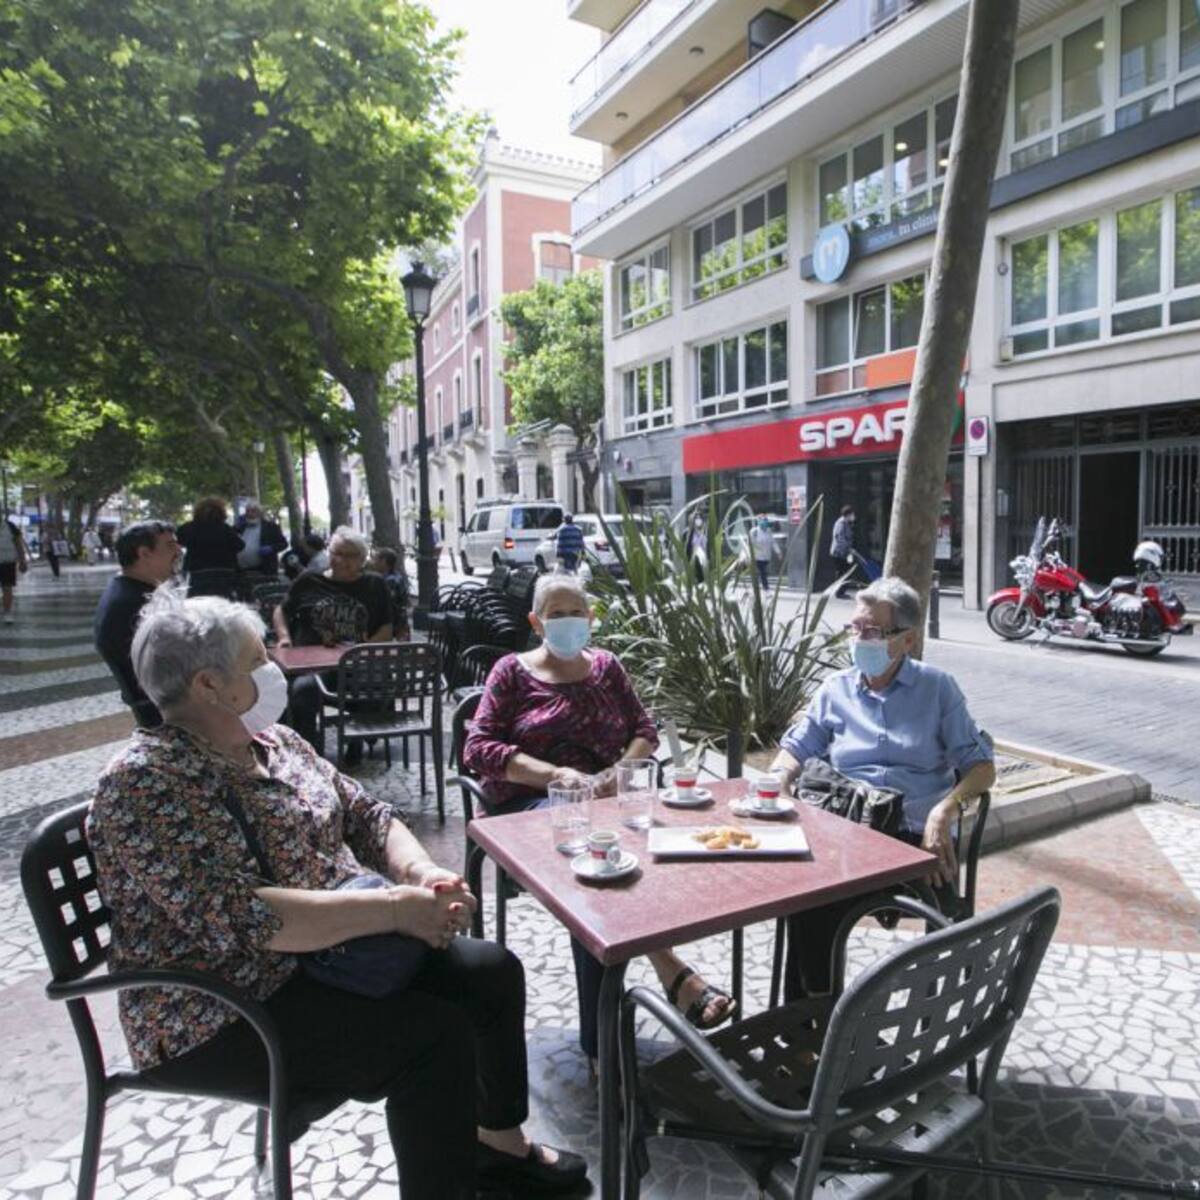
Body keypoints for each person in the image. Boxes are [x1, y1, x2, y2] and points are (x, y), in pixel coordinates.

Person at [87, 588, 586, 1200]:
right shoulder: (146, 784)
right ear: (208, 686)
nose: (273, 667)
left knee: (491, 972)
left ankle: (496, 1147)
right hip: (223, 1005)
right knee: (432, 1039)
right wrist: (396, 911)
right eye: (257, 660)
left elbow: (367, 814)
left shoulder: (275, 744)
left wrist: (421, 873)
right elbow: (251, 921)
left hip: (331, 955)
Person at [463, 572, 736, 1070]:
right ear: (536, 621)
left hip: (606, 805)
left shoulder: (607, 667)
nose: (569, 621)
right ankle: (664, 978)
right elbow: (478, 747)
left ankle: (614, 1022)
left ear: (591, 618)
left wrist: (619, 771)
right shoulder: (510, 672)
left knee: (643, 845)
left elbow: (644, 729)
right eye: (556, 613)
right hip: (530, 809)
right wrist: (556, 777)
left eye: (577, 612)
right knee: (599, 864)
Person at [768, 576, 995, 1001]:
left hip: (914, 840)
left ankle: (926, 1021)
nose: (859, 640)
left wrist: (944, 810)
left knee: (938, 912)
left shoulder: (938, 689)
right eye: (854, 629)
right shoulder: (835, 690)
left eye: (872, 631)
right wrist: (779, 778)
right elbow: (795, 748)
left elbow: (982, 767)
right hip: (847, 834)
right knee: (803, 896)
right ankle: (812, 1026)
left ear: (906, 640)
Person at [273, 526, 392, 757]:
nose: (342, 561)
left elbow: (387, 627)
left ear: (361, 559)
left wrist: (363, 650)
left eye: (350, 556)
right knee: (303, 691)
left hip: (356, 663)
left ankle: (357, 739)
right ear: (329, 553)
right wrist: (284, 638)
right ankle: (307, 753)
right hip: (313, 665)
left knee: (375, 684)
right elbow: (281, 610)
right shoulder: (309, 581)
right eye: (337, 553)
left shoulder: (375, 585)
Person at [94, 521, 181, 728]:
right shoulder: (133, 604)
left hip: (164, 703)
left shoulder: (129, 590)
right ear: (144, 554)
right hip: (170, 712)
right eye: (170, 545)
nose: (178, 551)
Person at [176, 497, 244, 597]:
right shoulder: (225, 529)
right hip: (224, 573)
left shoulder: (188, 528)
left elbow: (177, 542)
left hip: (196, 573)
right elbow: (240, 546)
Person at [235, 501, 289, 578]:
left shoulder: (271, 527)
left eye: (253, 511)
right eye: (247, 511)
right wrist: (236, 527)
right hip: (243, 570)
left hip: (264, 570)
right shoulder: (241, 527)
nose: (250, 514)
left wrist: (271, 548)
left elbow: (284, 544)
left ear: (260, 513)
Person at [368, 545, 411, 639]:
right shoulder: (396, 576)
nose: (373, 563)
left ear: (383, 562)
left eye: (376, 559)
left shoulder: (390, 582)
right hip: (399, 620)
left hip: (394, 622)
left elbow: (385, 604)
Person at [0, 515, 29, 625]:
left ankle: (7, 613)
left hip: (7, 562)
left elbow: (18, 544)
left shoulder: (10, 526)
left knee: (7, 588)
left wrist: (23, 561)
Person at [830, 505, 856, 592]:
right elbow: (839, 538)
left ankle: (842, 589)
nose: (853, 516)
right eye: (852, 514)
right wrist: (848, 547)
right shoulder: (840, 523)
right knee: (841, 571)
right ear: (848, 514)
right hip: (838, 552)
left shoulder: (847, 523)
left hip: (844, 552)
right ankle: (838, 590)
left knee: (844, 571)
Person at [749, 516, 775, 590]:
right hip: (757, 556)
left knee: (762, 572)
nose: (765, 525)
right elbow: (750, 543)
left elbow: (773, 542)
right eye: (763, 522)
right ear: (759, 522)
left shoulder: (768, 531)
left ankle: (756, 585)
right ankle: (765, 587)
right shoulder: (754, 531)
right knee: (762, 571)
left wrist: (778, 552)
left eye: (766, 522)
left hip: (766, 556)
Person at [684, 513, 707, 583]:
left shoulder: (704, 532)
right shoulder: (687, 533)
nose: (698, 520)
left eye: (699, 518)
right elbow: (686, 549)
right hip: (694, 561)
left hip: (704, 561)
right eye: (696, 518)